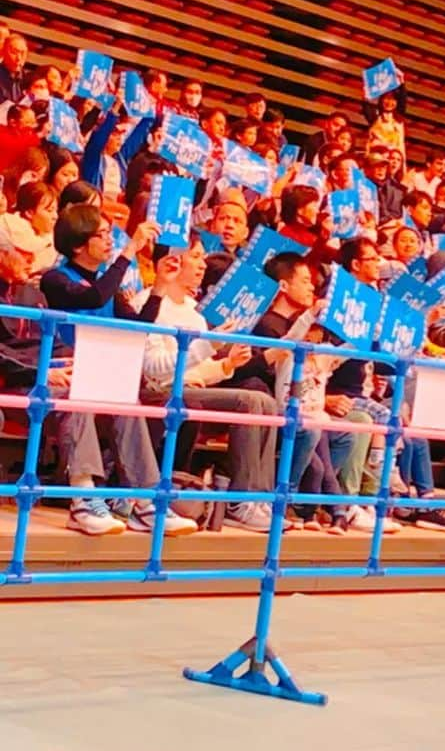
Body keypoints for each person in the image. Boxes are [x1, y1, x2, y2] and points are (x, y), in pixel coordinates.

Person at [40, 204, 197, 536]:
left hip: (103, 374)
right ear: (78, 244)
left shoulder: (106, 284)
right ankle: (83, 498)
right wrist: (129, 252)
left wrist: (159, 288)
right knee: (80, 396)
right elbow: (94, 298)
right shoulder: (55, 279)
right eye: (101, 233)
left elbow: (139, 327)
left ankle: (146, 503)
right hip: (58, 374)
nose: (109, 239)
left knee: (128, 403)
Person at [137, 238, 279, 533]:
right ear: (174, 261)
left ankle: (261, 498)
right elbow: (157, 370)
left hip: (190, 387)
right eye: (196, 257)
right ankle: (242, 501)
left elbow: (199, 368)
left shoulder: (194, 311)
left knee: (266, 402)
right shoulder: (148, 303)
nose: (203, 264)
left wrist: (227, 365)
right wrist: (207, 346)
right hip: (159, 389)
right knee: (250, 402)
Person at [0, 34, 29, 107]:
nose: (18, 58)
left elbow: (31, 100)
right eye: (14, 52)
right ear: (3, 52)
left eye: (22, 53)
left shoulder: (28, 79)